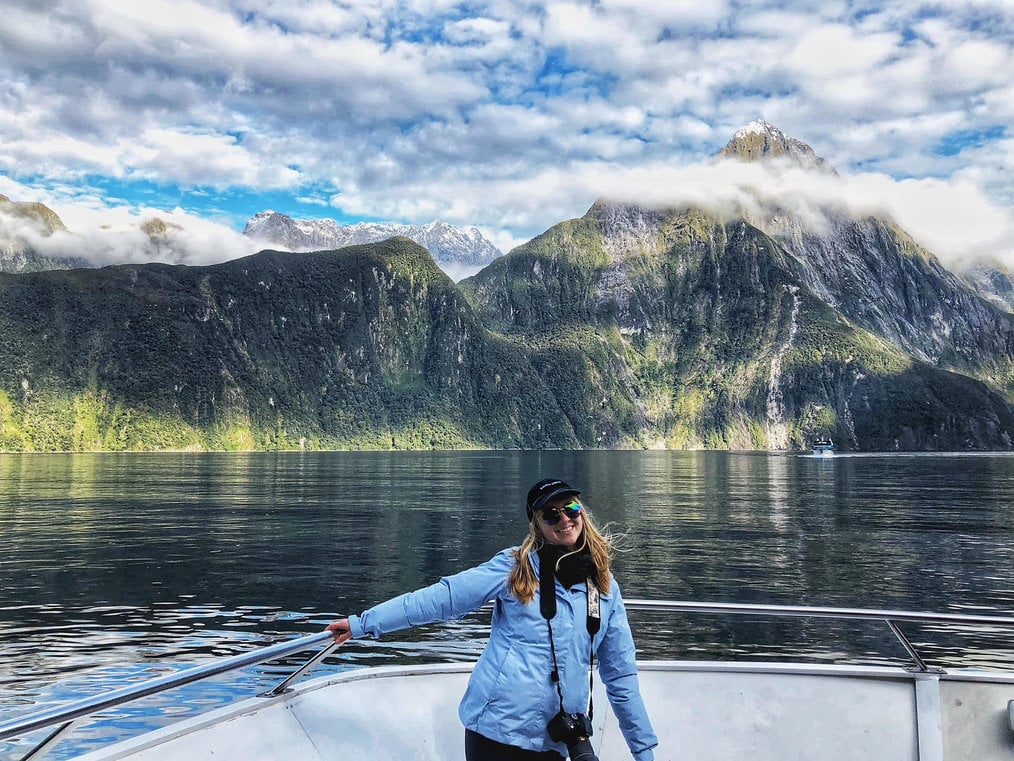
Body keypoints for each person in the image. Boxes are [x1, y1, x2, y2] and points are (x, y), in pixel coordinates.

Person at [326, 478, 658, 761]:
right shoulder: (515, 568)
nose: (564, 519)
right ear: (537, 525)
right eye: (551, 514)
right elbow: (442, 598)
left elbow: (621, 677)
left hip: (557, 738)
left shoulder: (604, 587)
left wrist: (644, 753)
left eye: (570, 508)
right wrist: (363, 623)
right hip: (496, 731)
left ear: (581, 512)